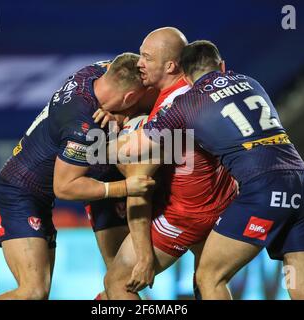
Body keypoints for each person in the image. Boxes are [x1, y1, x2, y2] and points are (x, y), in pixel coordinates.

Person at [137, 40, 304, 300]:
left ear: (184, 75)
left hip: (264, 189)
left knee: (209, 277)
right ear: (222, 65)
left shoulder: (188, 103)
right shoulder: (251, 82)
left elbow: (131, 150)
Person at [0, 53, 155, 300]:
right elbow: (64, 188)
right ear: (129, 97)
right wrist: (126, 187)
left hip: (81, 179)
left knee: (121, 280)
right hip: (17, 195)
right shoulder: (81, 125)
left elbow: (129, 82)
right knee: (34, 292)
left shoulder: (94, 72)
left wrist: (121, 115)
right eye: (135, 100)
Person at [102, 28, 237, 300]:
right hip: (224, 199)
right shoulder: (196, 87)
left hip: (187, 214)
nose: (139, 63)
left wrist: (143, 257)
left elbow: (138, 183)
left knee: (117, 282)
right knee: (209, 280)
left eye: (146, 57)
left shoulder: (172, 111)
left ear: (170, 65)